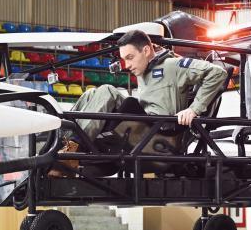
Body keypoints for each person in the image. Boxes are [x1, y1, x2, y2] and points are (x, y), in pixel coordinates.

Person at [70, 29, 228, 149]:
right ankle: (64, 139)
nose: (127, 65)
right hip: (144, 122)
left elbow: (218, 73)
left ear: (146, 51)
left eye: (130, 58)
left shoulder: (172, 65)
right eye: (124, 59)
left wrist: (194, 109)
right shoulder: (145, 67)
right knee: (91, 93)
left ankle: (74, 147)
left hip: (159, 130)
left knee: (107, 90)